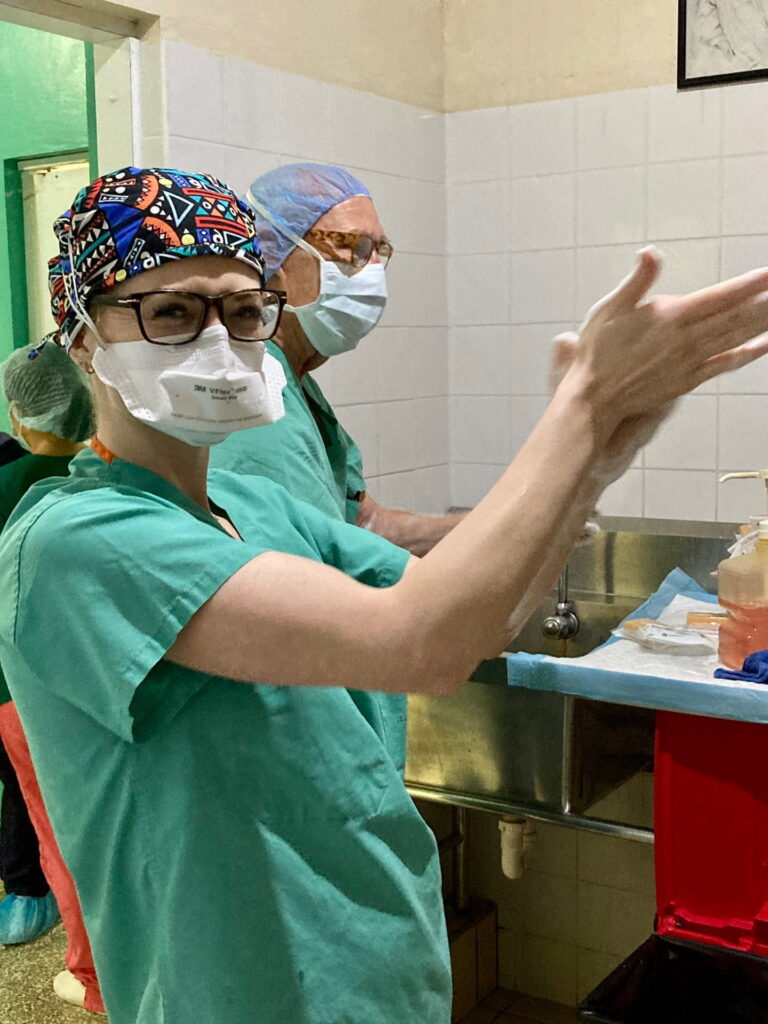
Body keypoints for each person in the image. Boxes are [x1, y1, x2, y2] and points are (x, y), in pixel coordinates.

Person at [2, 165, 768, 1024]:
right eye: (172, 312)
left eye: (243, 309)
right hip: (246, 992)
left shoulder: (253, 505)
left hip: (376, 967)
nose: (218, 341)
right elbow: (420, 643)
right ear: (79, 338)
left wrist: (605, 448)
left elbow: (479, 622)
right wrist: (585, 409)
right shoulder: (79, 542)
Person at [210, 161, 464, 555]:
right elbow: (313, 567)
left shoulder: (296, 381)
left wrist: (509, 526)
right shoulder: (255, 394)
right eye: (351, 247)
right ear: (273, 264)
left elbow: (364, 524)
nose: (373, 271)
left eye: (379, 250)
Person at [0, 338, 92, 949]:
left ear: (16, 415)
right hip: (83, 688)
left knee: (33, 802)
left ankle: (37, 904)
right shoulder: (101, 481)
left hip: (13, 690)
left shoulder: (9, 482)